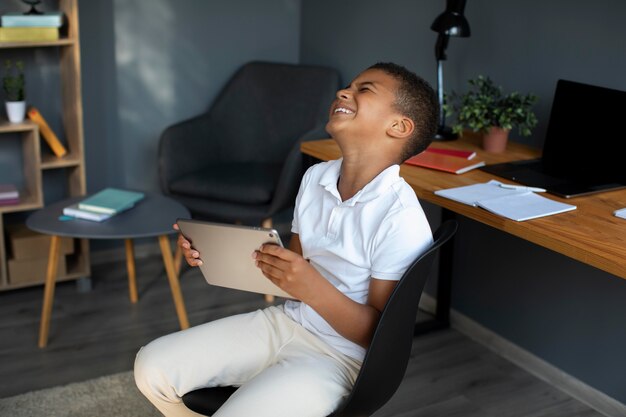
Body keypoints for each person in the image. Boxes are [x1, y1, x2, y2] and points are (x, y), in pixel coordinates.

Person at [134, 62, 439, 417]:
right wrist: (215, 250)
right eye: (349, 86)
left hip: (340, 359)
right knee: (151, 366)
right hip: (288, 322)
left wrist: (310, 286)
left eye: (364, 90)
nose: (344, 92)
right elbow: (290, 268)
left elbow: (378, 335)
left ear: (398, 127)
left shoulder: (400, 217)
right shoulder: (315, 178)